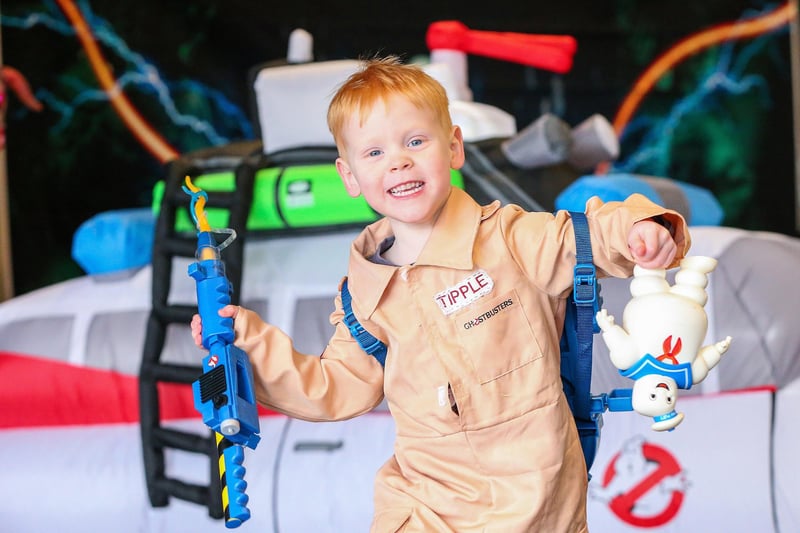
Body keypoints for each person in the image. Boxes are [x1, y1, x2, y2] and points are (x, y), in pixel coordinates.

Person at [192, 55, 689, 532]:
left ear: (453, 147)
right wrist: (248, 343)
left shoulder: (510, 241)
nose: (399, 163)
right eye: (374, 153)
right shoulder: (363, 294)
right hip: (424, 509)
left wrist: (640, 228)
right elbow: (336, 387)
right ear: (349, 176)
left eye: (415, 141)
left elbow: (586, 234)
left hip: (535, 507)